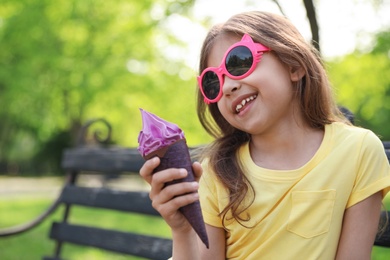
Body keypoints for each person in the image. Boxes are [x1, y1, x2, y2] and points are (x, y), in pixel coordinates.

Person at [140, 11, 390, 259]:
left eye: (238, 62)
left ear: (294, 65)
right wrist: (183, 231)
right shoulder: (216, 173)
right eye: (213, 83)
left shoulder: (358, 151)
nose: (227, 87)